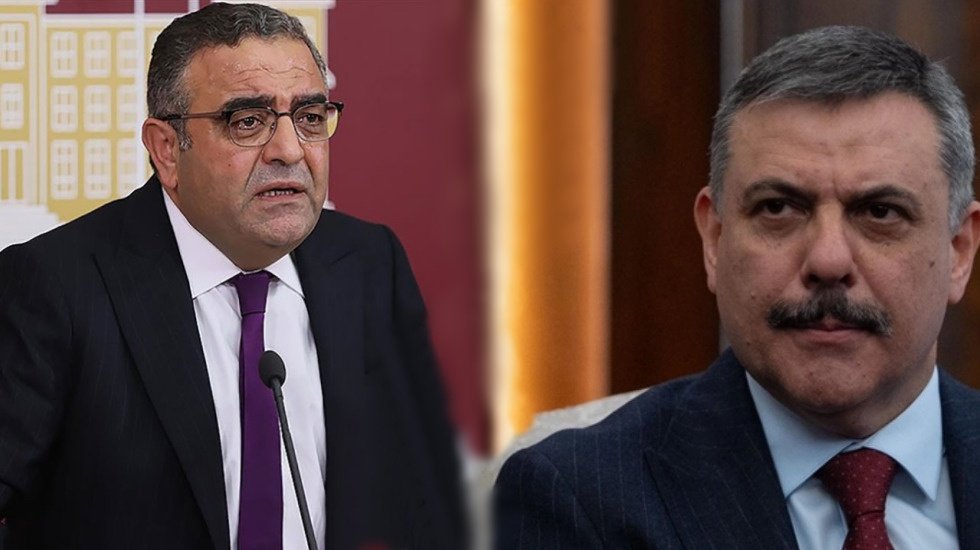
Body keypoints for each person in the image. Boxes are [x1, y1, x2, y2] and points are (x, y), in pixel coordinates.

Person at [494, 25, 980, 548]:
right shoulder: (578, 499)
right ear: (714, 239)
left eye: (880, 212)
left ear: (959, 251)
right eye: (778, 208)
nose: (828, 260)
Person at [0, 3, 464, 548]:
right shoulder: (54, 286)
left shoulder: (369, 264)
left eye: (310, 118)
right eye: (248, 122)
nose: (289, 151)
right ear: (167, 149)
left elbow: (421, 494)